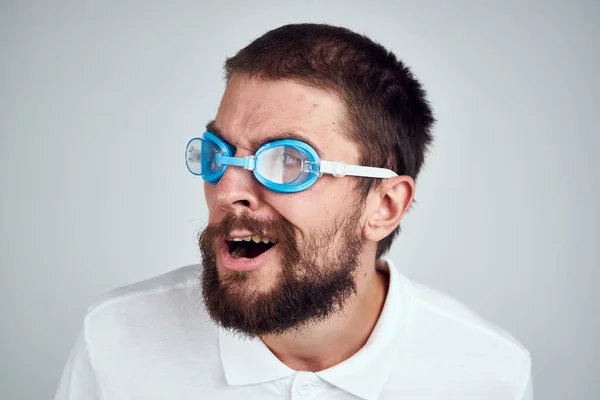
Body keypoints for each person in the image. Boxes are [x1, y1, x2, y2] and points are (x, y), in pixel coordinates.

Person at [55, 23, 533, 399]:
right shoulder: (116, 338)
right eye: (218, 155)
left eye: (288, 161)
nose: (228, 191)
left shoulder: (490, 375)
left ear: (384, 206)